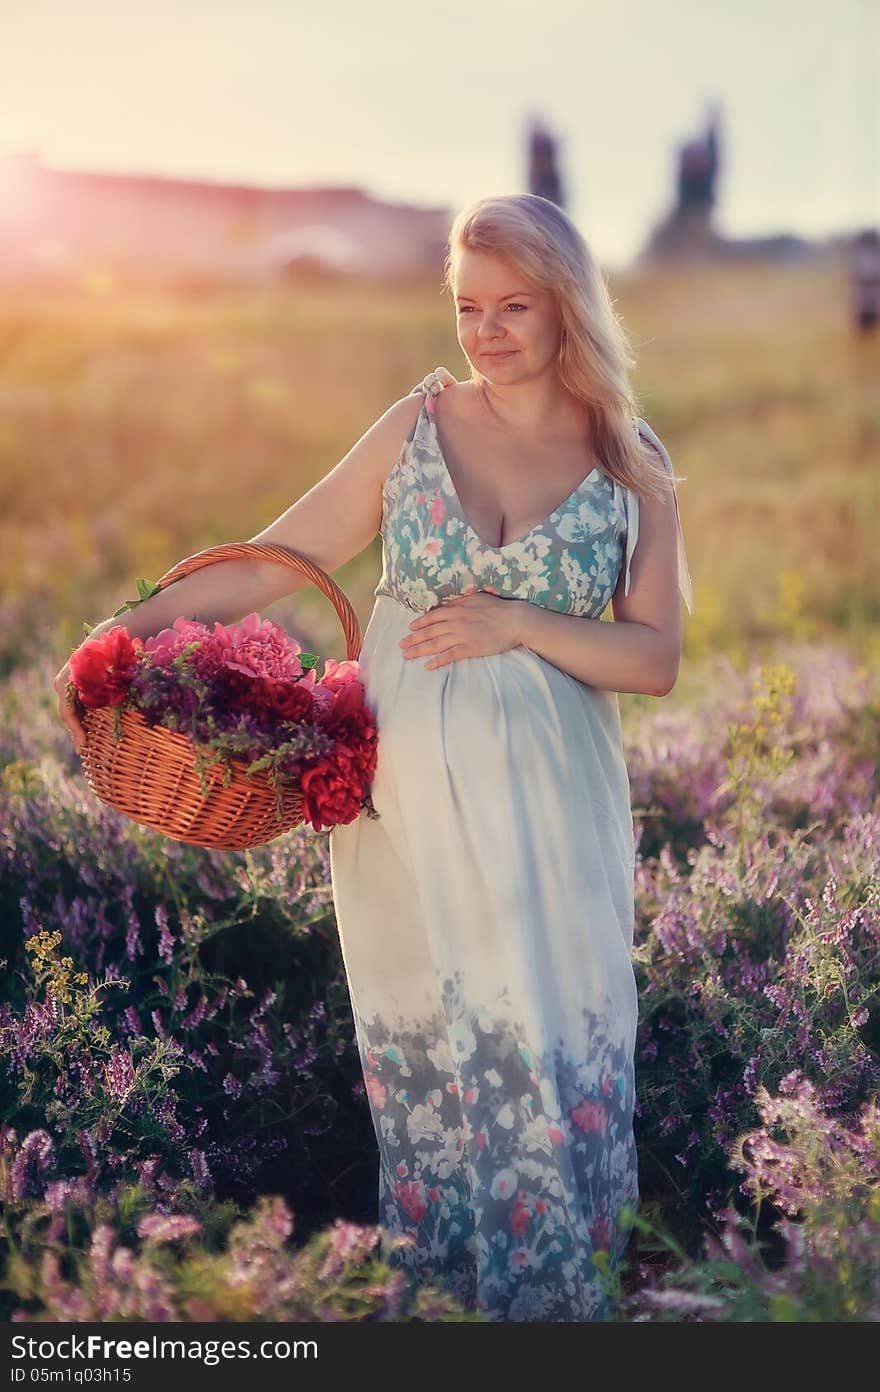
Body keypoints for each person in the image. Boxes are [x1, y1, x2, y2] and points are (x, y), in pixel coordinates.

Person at [55, 191, 693, 1324]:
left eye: (514, 305)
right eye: (466, 306)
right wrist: (125, 627)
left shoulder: (630, 461)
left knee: (551, 1035)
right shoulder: (417, 425)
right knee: (437, 1045)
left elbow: (654, 659)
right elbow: (273, 562)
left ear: (568, 309)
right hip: (401, 808)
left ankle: (557, 1311)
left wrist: (517, 622)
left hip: (551, 808)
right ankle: (448, 1312)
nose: (487, 331)